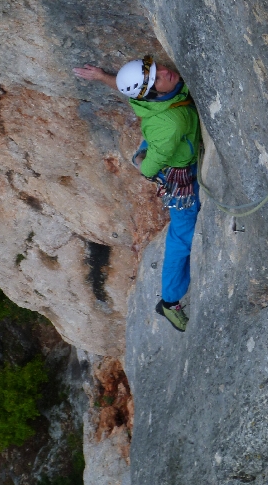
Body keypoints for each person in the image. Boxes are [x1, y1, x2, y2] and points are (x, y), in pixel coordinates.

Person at [73, 56, 201, 332]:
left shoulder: (152, 97)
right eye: (156, 78)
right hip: (177, 170)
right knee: (182, 237)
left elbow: (134, 91)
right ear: (151, 93)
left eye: (156, 70)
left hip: (161, 140)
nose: (165, 72)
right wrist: (145, 163)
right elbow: (151, 168)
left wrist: (103, 77)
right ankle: (169, 302)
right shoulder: (172, 124)